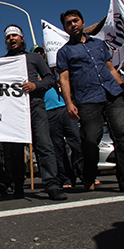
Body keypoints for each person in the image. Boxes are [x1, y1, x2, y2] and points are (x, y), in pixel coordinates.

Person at [56, 9, 124, 193]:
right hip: (87, 99)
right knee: (90, 140)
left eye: (75, 20)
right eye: (68, 23)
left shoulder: (99, 44)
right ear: (65, 28)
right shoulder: (64, 52)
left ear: (83, 22)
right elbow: (64, 79)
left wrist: (123, 89)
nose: (73, 24)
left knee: (123, 136)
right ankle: (89, 176)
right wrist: (69, 103)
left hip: (113, 95)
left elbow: (111, 69)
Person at [2, 25, 66, 200]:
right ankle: (17, 186)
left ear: (22, 38)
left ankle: (52, 185)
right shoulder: (1, 61)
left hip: (35, 105)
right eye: (8, 37)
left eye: (15, 35)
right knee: (14, 150)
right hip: (13, 111)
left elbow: (50, 79)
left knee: (44, 145)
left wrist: (35, 86)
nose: (12, 39)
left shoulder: (34, 58)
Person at [31, 45, 83, 188]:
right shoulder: (30, 74)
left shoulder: (53, 70)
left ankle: (84, 175)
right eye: (36, 53)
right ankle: (66, 178)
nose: (40, 54)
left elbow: (67, 79)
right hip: (47, 112)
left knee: (77, 141)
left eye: (41, 52)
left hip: (64, 108)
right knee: (57, 148)